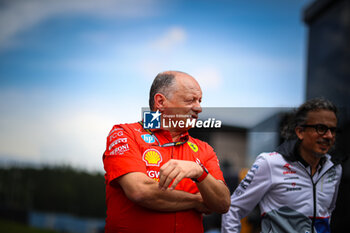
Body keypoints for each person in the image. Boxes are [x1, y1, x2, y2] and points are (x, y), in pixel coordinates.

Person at [103, 71, 230, 233]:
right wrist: (196, 201)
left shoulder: (204, 149)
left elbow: (223, 203)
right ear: (161, 102)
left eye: (199, 101)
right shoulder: (124, 133)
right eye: (190, 100)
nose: (199, 108)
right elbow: (140, 191)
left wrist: (199, 172)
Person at [222, 98, 342, 233]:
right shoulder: (270, 163)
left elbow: (327, 213)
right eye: (321, 128)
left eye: (333, 130)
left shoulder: (334, 169)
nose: (329, 135)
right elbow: (233, 208)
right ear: (300, 131)